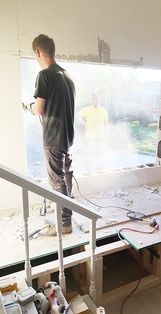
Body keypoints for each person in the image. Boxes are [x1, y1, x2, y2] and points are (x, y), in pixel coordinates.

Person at [23, 34, 75, 234]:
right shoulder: (67, 76)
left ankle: (64, 223)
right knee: (66, 176)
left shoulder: (45, 75)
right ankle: (68, 212)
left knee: (56, 180)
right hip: (67, 136)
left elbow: (39, 109)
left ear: (37, 52)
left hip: (53, 136)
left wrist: (28, 106)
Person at [76, 94, 108, 171]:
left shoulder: (103, 111)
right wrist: (84, 123)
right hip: (90, 136)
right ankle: (88, 167)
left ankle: (98, 167)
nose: (96, 101)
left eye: (97, 99)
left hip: (100, 135)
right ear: (92, 100)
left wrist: (106, 134)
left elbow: (106, 123)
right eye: (94, 99)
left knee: (99, 152)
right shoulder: (87, 109)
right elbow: (77, 115)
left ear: (100, 100)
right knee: (89, 152)